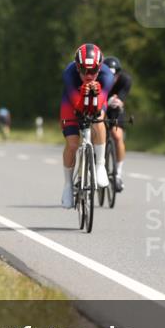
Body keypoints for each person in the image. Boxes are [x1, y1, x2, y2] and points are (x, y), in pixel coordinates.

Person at [60, 43, 114, 208]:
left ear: (100, 68)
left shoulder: (107, 76)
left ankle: (100, 165)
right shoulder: (69, 73)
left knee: (98, 119)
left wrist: (95, 96)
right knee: (73, 143)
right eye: (84, 71)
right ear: (77, 67)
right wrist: (83, 92)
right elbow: (76, 104)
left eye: (93, 71)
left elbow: (98, 108)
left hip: (97, 101)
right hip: (71, 103)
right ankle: (68, 185)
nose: (89, 75)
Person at [103, 56, 131, 192]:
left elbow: (122, 97)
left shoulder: (125, 80)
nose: (111, 79)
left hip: (114, 109)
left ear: (118, 74)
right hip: (100, 107)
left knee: (117, 136)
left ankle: (118, 174)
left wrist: (118, 101)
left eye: (114, 76)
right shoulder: (98, 79)